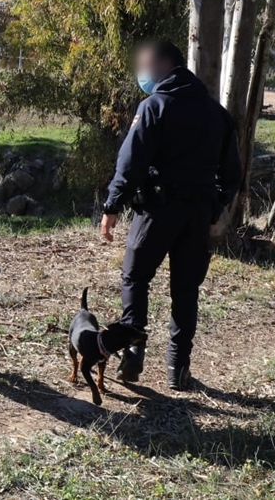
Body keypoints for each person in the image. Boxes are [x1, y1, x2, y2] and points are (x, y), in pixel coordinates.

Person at [100, 41, 241, 391]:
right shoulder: (216, 112)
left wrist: (112, 206)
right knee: (185, 290)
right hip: (197, 215)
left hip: (157, 210)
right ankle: (178, 369)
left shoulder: (154, 106)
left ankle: (132, 352)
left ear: (164, 64)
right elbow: (232, 174)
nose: (142, 71)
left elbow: (131, 162)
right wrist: (215, 205)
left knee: (135, 277)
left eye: (145, 63)